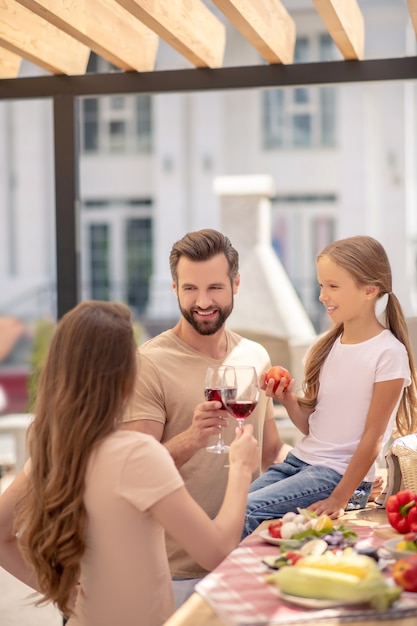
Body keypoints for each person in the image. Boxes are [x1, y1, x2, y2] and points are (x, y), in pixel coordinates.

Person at [0, 301, 260, 626]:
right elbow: (217, 552)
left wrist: (64, 596)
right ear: (124, 374)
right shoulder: (136, 454)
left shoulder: (53, 447)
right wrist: (240, 468)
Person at [122, 228, 291, 605]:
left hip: (249, 559)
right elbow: (134, 473)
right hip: (177, 575)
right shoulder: (148, 363)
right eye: (190, 289)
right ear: (174, 288)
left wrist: (334, 481)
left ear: (235, 284)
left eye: (214, 288)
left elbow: (270, 452)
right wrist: (192, 438)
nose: (202, 302)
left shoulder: (255, 356)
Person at [243, 235, 417, 536]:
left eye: (333, 286)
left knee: (245, 511)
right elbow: (314, 428)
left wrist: (340, 497)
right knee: (235, 507)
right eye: (322, 285)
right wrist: (286, 398)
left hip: (339, 477)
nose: (323, 296)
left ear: (370, 290)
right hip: (298, 462)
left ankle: (231, 582)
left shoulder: (388, 353)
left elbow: (373, 437)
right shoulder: (324, 346)